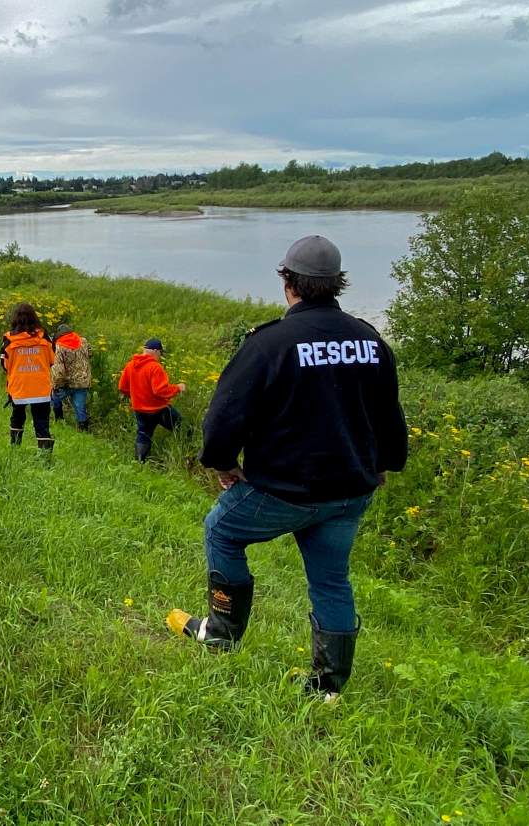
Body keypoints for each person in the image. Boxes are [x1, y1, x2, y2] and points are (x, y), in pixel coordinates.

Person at [166, 235, 407, 701]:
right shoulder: (370, 340)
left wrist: (222, 463)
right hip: (350, 491)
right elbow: (388, 414)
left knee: (222, 530)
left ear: (288, 282)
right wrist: (384, 465)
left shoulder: (269, 343)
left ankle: (221, 632)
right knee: (331, 580)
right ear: (337, 284)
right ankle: (328, 686)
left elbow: (223, 417)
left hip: (283, 491)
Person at [117, 339, 186, 462]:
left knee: (143, 434)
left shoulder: (130, 365)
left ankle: (140, 462)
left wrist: (135, 395)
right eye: (160, 353)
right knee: (182, 427)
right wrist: (178, 388)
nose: (160, 356)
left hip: (139, 409)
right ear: (155, 351)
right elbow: (160, 391)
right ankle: (186, 456)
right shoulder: (155, 367)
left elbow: (122, 387)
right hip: (159, 409)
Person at [0, 303, 55, 451]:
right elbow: (52, 360)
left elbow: (4, 364)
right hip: (41, 387)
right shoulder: (44, 337)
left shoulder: (9, 339)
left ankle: (15, 448)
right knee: (42, 422)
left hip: (19, 387)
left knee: (17, 417)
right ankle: (45, 455)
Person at [50, 323, 92, 431]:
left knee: (55, 398)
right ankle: (83, 429)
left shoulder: (60, 346)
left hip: (67, 383)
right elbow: (90, 353)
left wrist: (57, 385)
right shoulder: (83, 341)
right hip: (83, 381)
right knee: (80, 407)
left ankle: (59, 421)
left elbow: (59, 370)